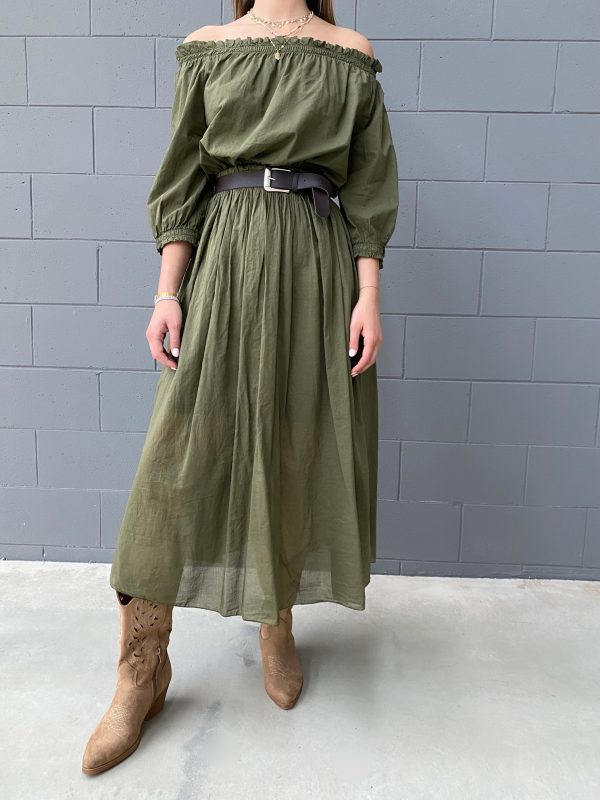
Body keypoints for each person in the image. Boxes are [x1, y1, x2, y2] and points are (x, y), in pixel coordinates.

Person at [82, 0, 398, 776]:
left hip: (317, 265)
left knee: (294, 444)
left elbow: (368, 184)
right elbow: (185, 176)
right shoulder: (209, 48)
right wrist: (167, 292)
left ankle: (275, 620)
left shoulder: (350, 53)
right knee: (178, 455)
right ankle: (141, 669)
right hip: (224, 257)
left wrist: (368, 296)